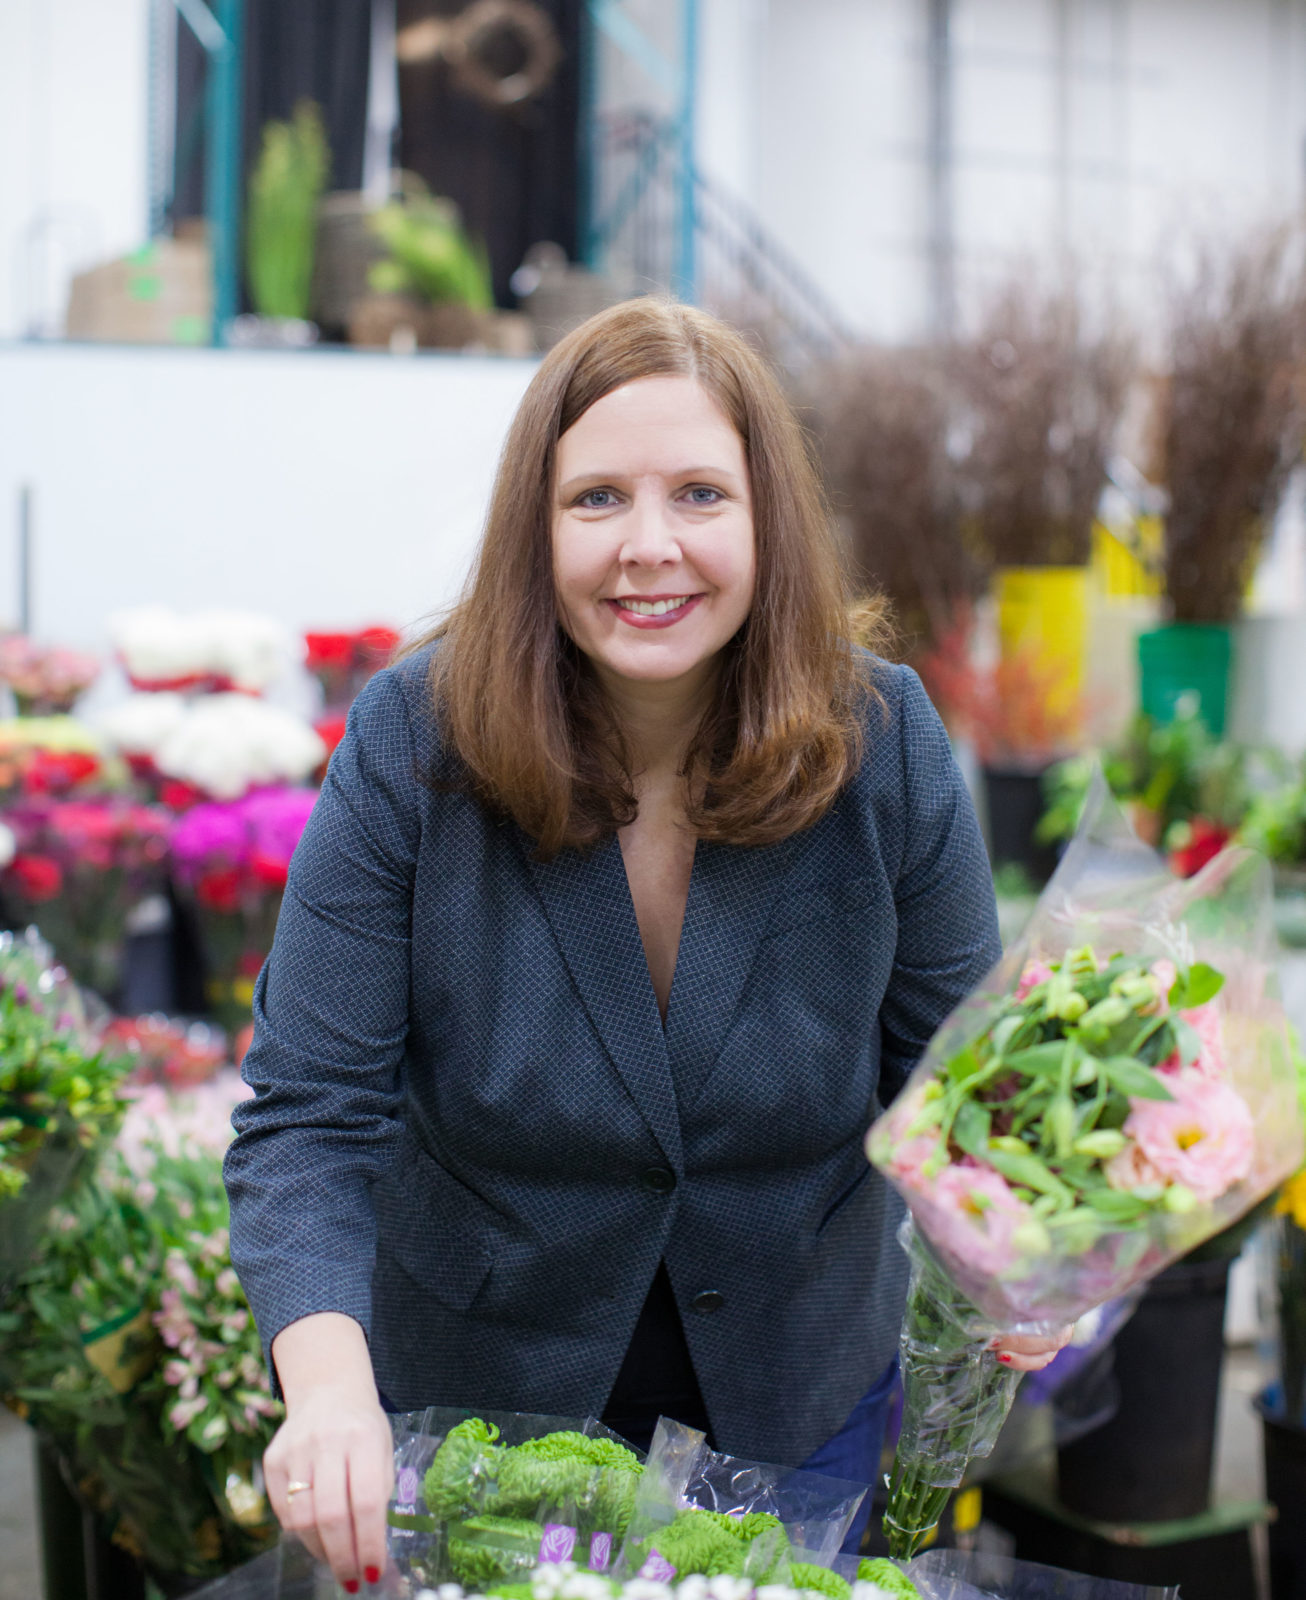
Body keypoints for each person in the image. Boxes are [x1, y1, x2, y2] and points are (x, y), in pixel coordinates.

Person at [224, 299, 1068, 1593]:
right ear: (535, 527)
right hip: (480, 1414)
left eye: (697, 495)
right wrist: (329, 1391)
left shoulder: (881, 740)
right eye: (598, 499)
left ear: (765, 520)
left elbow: (959, 1083)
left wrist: (1032, 1247)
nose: (650, 547)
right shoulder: (412, 741)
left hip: (798, 1398)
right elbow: (309, 1118)